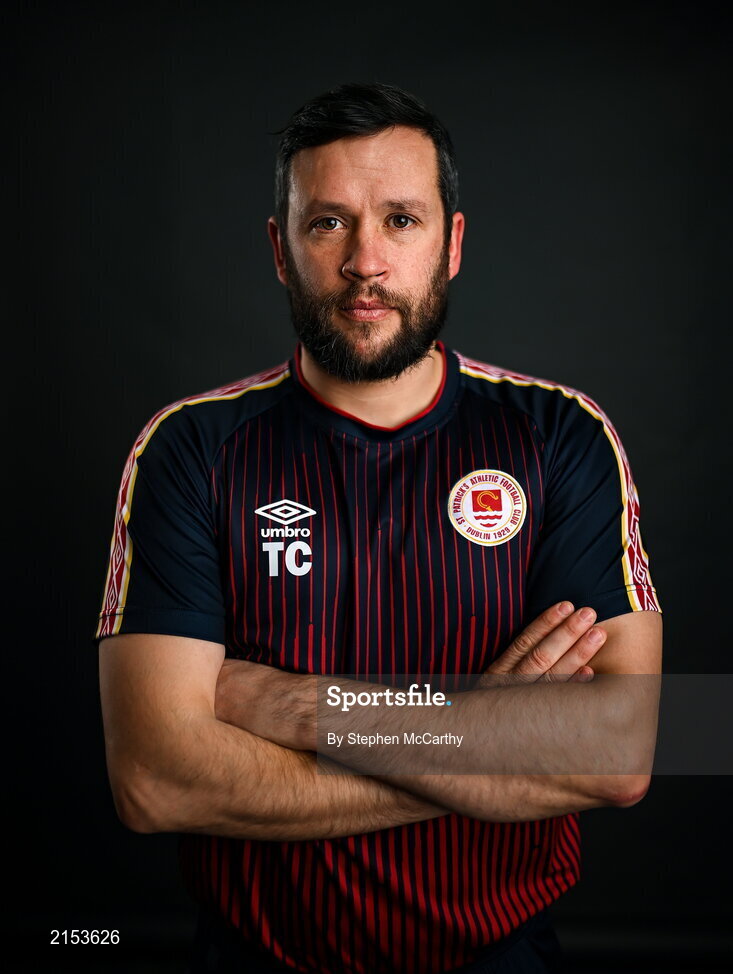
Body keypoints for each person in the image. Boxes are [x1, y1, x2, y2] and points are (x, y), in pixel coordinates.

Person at [95, 82, 662, 974]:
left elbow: (620, 753)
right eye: (328, 224)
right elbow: (154, 781)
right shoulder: (189, 450)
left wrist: (287, 703)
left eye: (400, 220)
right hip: (253, 958)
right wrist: (482, 739)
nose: (366, 260)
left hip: (500, 960)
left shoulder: (561, 436)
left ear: (453, 244)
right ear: (280, 250)